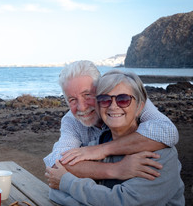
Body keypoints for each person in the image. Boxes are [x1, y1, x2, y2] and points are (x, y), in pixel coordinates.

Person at [45, 70, 185, 205]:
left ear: (140, 106)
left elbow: (124, 201)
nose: (113, 106)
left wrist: (67, 183)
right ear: (98, 105)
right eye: (105, 100)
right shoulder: (92, 145)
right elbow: (55, 182)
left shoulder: (162, 154)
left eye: (123, 99)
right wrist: (116, 169)